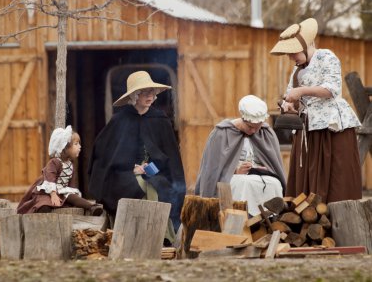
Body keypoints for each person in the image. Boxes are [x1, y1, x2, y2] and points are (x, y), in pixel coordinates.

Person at [270, 18, 362, 203]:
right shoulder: (297, 70)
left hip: (330, 128)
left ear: (305, 45)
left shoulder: (326, 57)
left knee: (335, 178)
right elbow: (292, 96)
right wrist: (289, 105)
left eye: (293, 52)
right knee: (307, 179)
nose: (290, 57)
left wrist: (302, 91)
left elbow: (332, 89)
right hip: (307, 129)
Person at [88, 71, 186, 243]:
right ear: (134, 96)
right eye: (145, 92)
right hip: (123, 174)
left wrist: (152, 166)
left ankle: (159, 236)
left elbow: (170, 156)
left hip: (156, 172)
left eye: (152, 92)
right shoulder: (120, 120)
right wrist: (131, 168)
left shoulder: (160, 119)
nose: (150, 96)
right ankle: (133, 237)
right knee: (139, 184)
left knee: (159, 185)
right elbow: (104, 154)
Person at [195, 95, 286, 216]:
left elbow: (273, 163)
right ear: (243, 118)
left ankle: (271, 220)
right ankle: (240, 221)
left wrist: (265, 169)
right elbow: (212, 168)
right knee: (244, 184)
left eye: (257, 127)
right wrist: (235, 170)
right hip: (232, 178)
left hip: (260, 177)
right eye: (250, 127)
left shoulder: (265, 133)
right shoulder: (222, 133)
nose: (254, 131)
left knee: (274, 183)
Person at [17, 126, 103, 216]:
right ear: (65, 147)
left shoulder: (70, 165)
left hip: (62, 192)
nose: (80, 147)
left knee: (73, 197)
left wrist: (73, 196)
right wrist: (53, 195)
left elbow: (71, 185)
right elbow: (50, 179)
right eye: (76, 144)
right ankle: (44, 223)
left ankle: (92, 207)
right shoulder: (54, 162)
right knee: (44, 205)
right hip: (47, 192)